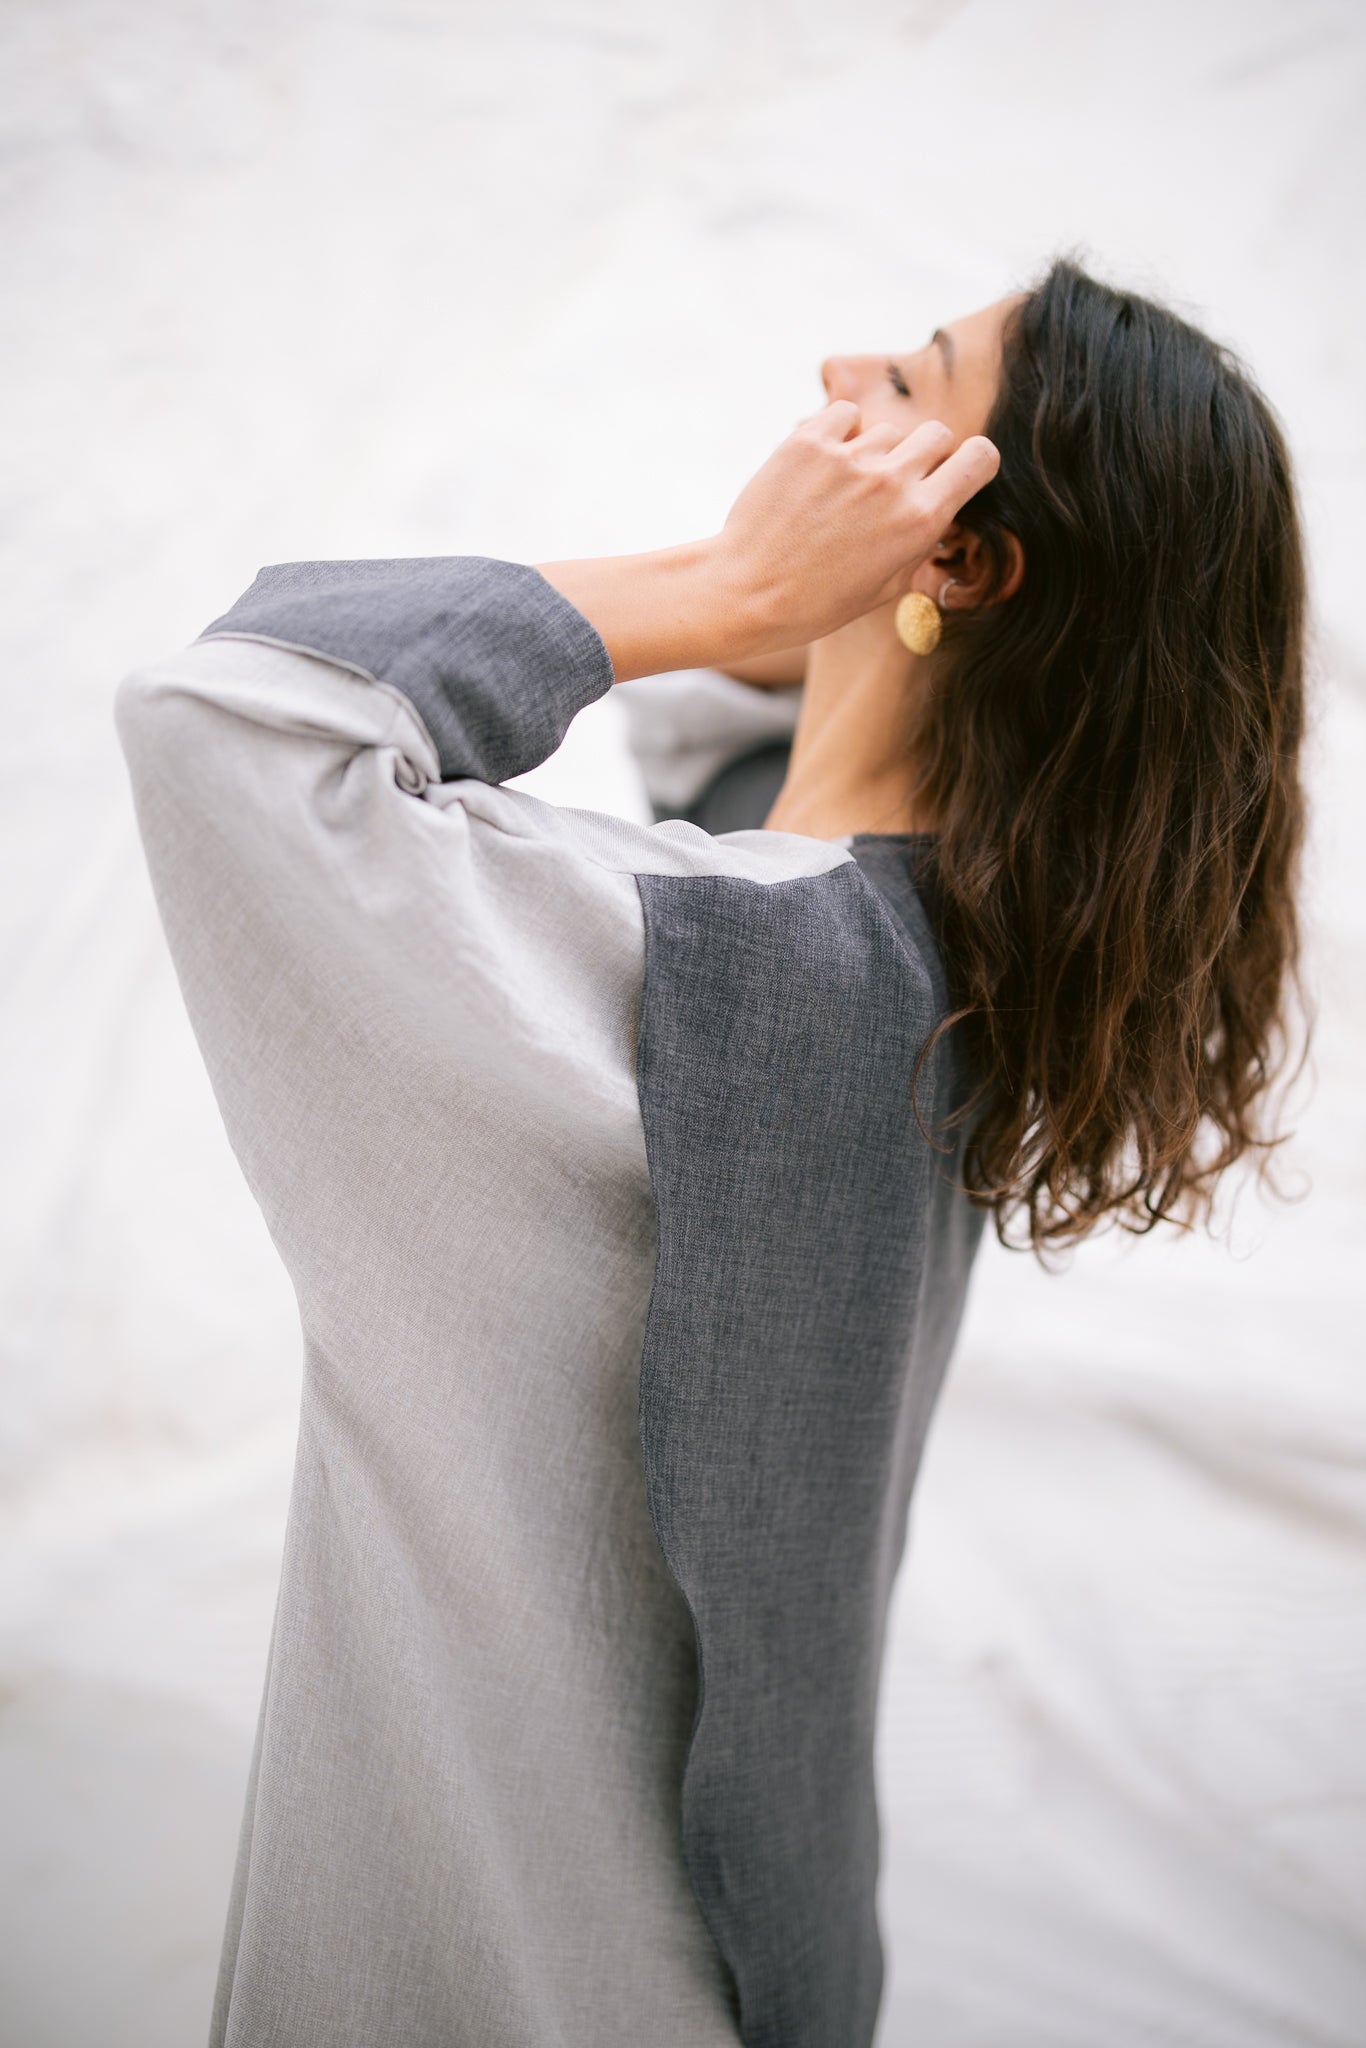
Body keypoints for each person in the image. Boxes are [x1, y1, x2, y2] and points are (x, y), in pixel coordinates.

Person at [113, 258, 1307, 2048]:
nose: (837, 367)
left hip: (514, 1957)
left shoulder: (711, 977)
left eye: (905, 383)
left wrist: (739, 583)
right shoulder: (936, 956)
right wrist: (834, 625)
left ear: (958, 564)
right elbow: (746, 771)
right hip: (728, 1947)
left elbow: (227, 723)